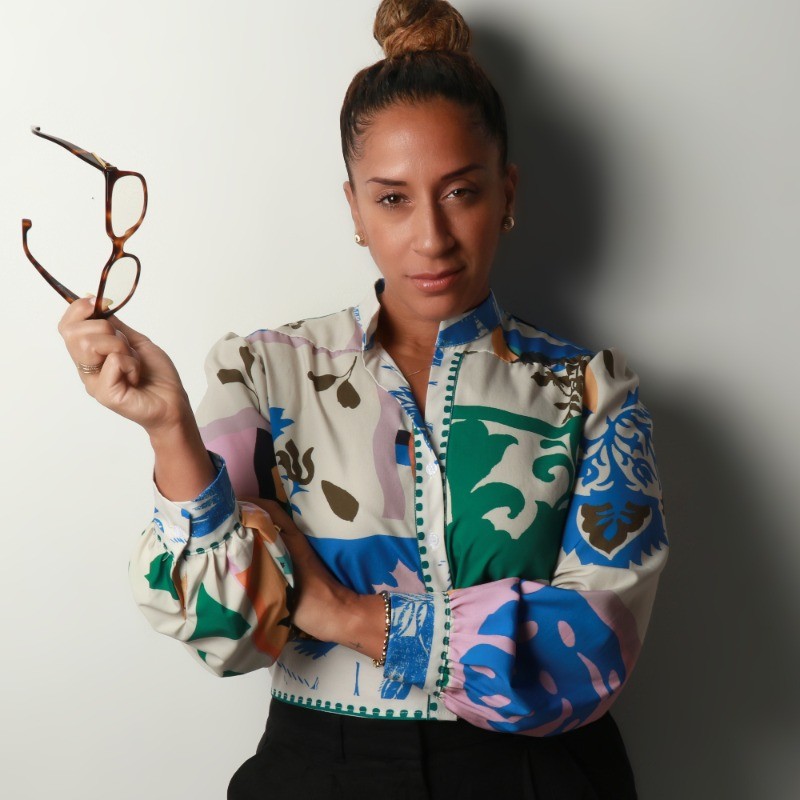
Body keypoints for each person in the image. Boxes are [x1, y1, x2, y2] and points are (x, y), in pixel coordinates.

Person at [58, 1, 668, 797]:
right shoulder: (265, 373)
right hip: (321, 771)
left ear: (507, 193)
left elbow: (593, 649)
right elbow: (226, 634)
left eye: (460, 192)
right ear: (353, 207)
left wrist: (343, 614)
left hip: (539, 777)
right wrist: (170, 429)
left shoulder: (592, 390)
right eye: (392, 199)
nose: (431, 237)